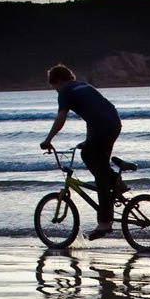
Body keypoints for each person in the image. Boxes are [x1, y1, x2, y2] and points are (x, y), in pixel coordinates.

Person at [39, 63, 123, 239]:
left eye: (53, 86)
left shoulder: (65, 91)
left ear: (57, 81)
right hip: (113, 123)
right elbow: (94, 114)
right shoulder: (83, 85)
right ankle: (115, 181)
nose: (55, 90)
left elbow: (61, 118)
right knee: (90, 155)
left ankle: (104, 223)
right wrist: (87, 141)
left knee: (99, 175)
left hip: (101, 126)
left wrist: (48, 140)